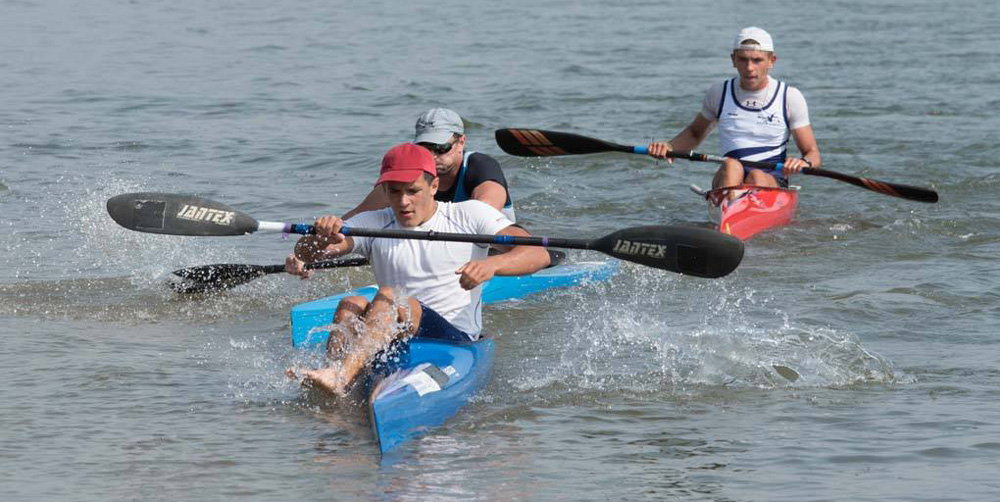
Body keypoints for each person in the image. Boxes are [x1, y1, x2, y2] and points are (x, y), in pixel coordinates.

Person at [285, 143, 549, 395]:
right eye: (395, 191)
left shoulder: (469, 215)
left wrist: (493, 264)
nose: (403, 202)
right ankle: (334, 377)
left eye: (412, 191)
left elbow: (538, 253)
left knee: (390, 296)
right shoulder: (375, 222)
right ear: (385, 191)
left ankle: (341, 377)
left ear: (434, 186)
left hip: (453, 341)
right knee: (350, 303)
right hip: (394, 334)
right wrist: (321, 237)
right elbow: (308, 253)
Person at [647, 27, 821, 194]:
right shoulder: (719, 92)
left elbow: (812, 153)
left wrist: (803, 163)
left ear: (771, 61)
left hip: (770, 178)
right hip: (729, 175)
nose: (749, 67)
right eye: (743, 59)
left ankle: (730, 213)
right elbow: (694, 133)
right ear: (733, 60)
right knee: (731, 165)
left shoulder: (789, 97)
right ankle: (731, 212)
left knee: (756, 176)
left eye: (757, 60)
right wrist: (668, 147)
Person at [343, 108, 516, 222]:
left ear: (461, 142)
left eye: (441, 148)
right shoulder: (410, 174)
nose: (432, 156)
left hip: (489, 254)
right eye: (424, 149)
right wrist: (322, 242)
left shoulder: (481, 167)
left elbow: (483, 216)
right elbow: (358, 216)